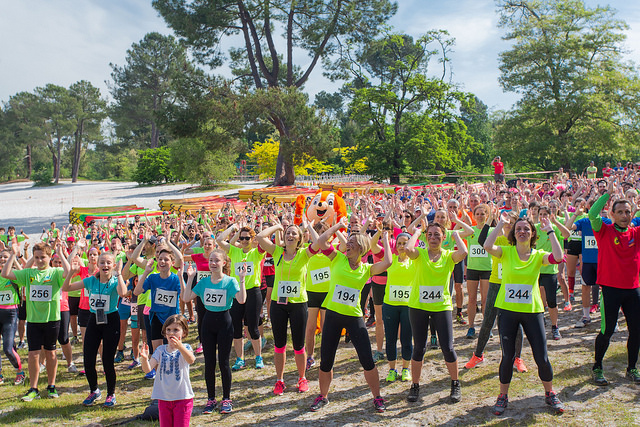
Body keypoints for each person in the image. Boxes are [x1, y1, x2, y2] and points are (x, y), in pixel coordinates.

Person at [484, 214, 565, 415]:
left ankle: (550, 393)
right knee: (507, 356)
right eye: (518, 229)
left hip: (532, 311)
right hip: (508, 311)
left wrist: (551, 231)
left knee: (541, 356)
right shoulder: (506, 252)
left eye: (526, 229)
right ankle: (502, 396)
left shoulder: (538, 255)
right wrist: (501, 224)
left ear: (532, 234)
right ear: (513, 233)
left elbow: (559, 257)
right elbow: (487, 245)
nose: (522, 232)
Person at [309, 219, 392, 413]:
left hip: (354, 317)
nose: (348, 245)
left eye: (352, 243)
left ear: (361, 248)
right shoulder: (337, 258)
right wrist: (337, 227)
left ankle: (377, 397)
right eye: (348, 242)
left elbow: (387, 262)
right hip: (333, 315)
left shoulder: (366, 269)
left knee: (367, 360)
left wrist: (386, 239)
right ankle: (323, 396)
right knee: (326, 360)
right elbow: (321, 242)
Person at [403, 223, 468, 404]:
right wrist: (416, 232)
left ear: (443, 237)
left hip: (441, 306)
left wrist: (455, 235)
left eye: (437, 235)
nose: (433, 238)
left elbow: (463, 253)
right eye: (429, 235)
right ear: (426, 237)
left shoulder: (448, 256)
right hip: (419, 306)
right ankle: (415, 385)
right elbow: (408, 249)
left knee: (447, 347)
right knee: (419, 348)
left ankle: (455, 383)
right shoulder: (420, 254)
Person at [1, 242, 69, 401]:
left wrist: (61, 252)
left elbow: (68, 272)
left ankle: (51, 386)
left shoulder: (55, 272)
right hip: (33, 321)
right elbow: (5, 274)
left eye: (43, 257)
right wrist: (13, 254)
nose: (39, 261)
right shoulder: (28, 273)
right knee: (33, 355)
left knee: (51, 353)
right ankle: (33, 388)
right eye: (36, 257)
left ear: (50, 257)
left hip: (52, 320)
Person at [588, 181, 640, 385]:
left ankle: (632, 368)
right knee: (607, 330)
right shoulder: (604, 231)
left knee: (636, 330)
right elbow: (592, 214)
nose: (624, 215)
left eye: (627, 212)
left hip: (633, 289)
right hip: (611, 289)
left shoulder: (635, 233)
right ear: (612, 214)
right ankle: (598, 366)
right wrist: (606, 195)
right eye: (619, 212)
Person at [464, 211, 529, 373]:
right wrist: (494, 221)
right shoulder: (498, 239)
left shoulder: (520, 244)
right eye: (506, 221)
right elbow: (481, 241)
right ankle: (478, 355)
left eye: (511, 222)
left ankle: (517, 358)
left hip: (513, 286)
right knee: (488, 320)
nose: (508, 224)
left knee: (516, 323)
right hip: (495, 283)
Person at [183, 250, 247, 414]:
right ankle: (211, 398)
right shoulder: (204, 282)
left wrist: (242, 279)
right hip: (207, 324)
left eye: (216, 260)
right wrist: (190, 278)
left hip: (225, 323)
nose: (213, 263)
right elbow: (186, 297)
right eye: (211, 260)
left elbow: (241, 299)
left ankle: (226, 398)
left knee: (224, 362)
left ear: (224, 263)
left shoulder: (230, 281)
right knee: (209, 363)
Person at [255, 222, 316, 395]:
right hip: (278, 304)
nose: (290, 236)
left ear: (299, 239)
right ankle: (279, 380)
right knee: (279, 345)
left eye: (294, 234)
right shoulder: (277, 252)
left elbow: (318, 243)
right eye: (288, 233)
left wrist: (308, 228)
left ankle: (302, 378)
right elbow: (260, 237)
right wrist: (277, 227)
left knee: (298, 345)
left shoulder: (304, 254)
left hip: (298, 304)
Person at [63, 253, 127, 407]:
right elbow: (66, 288)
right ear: (98, 264)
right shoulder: (91, 280)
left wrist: (119, 274)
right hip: (94, 319)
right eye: (102, 262)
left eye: (108, 263)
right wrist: (71, 273)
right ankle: (94, 390)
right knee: (88, 359)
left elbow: (123, 293)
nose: (105, 265)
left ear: (112, 265)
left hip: (111, 320)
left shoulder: (114, 281)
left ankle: (111, 394)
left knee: (107, 360)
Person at [216, 224, 265, 371]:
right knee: (236, 327)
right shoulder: (235, 251)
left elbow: (263, 240)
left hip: (253, 292)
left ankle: (258, 357)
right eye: (241, 238)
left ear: (252, 239)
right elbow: (219, 240)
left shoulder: (257, 253)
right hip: (236, 292)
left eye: (247, 238)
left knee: (253, 327)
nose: (244, 240)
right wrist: (233, 229)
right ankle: (240, 359)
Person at [140, 315, 196, 426]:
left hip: (183, 399)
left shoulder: (186, 347)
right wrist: (145, 359)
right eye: (168, 330)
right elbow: (147, 369)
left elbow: (191, 360)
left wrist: (180, 346)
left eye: (176, 330)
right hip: (163, 399)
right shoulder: (160, 350)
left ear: (184, 332)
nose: (171, 333)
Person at [0, 249, 25, 386]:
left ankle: (20, 371)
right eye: (1, 257)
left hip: (10, 314)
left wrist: (14, 257)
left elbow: (24, 275)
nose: (3, 259)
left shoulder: (14, 275)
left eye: (6, 257)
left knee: (8, 348)